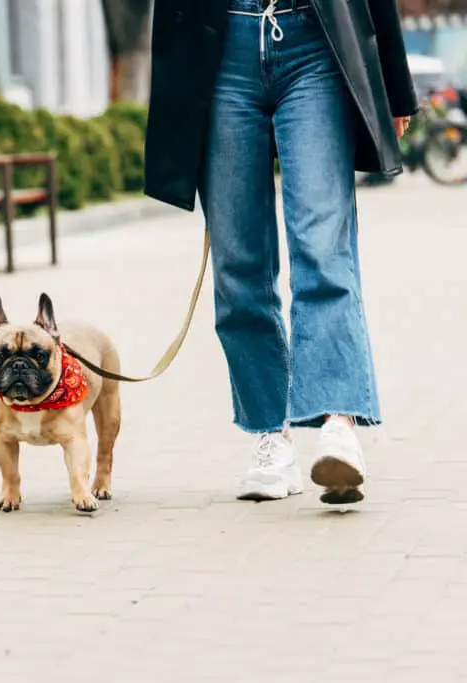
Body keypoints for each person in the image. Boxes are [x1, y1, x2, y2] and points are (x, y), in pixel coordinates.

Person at [143, 0, 417, 503]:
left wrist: (394, 85)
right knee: (238, 263)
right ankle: (272, 434)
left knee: (321, 244)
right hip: (221, 47)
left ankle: (337, 419)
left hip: (315, 43)